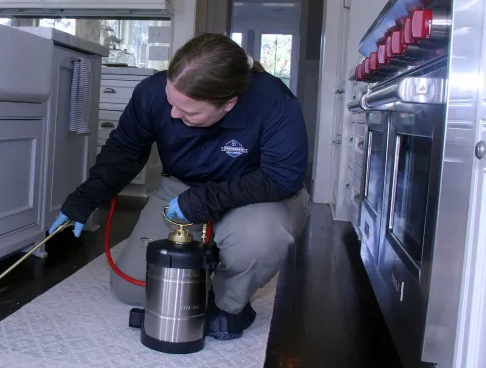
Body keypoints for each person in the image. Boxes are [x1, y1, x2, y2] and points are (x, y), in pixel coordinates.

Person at [49, 33, 311, 341]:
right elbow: (123, 153)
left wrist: (203, 201)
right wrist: (85, 199)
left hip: (257, 193)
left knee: (255, 240)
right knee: (132, 288)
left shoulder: (274, 101)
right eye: (172, 103)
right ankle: (210, 260)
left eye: (189, 111)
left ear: (229, 104)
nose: (174, 114)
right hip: (184, 188)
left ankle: (230, 305)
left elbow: (282, 177)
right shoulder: (151, 93)